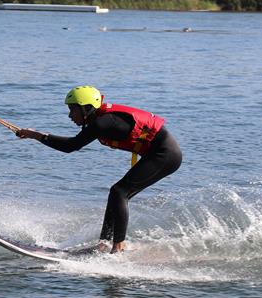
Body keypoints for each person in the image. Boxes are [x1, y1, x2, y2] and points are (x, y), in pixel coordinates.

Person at [16, 86, 182, 254]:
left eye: (72, 110)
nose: (69, 116)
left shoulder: (103, 122)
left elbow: (70, 146)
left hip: (165, 155)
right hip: (157, 154)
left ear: (86, 108)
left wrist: (35, 135)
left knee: (119, 192)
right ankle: (104, 244)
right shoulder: (100, 120)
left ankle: (118, 247)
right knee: (116, 193)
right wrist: (35, 135)